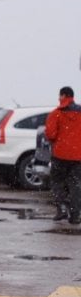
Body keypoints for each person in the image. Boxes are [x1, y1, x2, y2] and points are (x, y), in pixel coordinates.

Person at [44, 86, 81, 224]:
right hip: (78, 156)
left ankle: (62, 208)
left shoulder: (56, 114)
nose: (59, 99)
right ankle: (76, 215)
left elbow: (50, 134)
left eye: (60, 96)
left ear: (64, 96)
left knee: (57, 182)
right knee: (76, 184)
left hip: (60, 154)